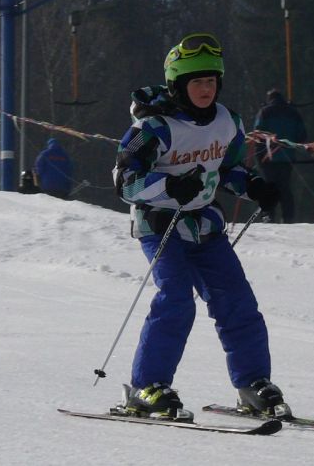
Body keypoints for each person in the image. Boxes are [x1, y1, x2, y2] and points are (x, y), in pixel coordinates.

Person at [112, 32, 289, 421]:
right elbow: (124, 182)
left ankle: (253, 384)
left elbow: (229, 168)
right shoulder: (153, 128)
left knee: (237, 302)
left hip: (205, 226)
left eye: (211, 81)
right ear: (179, 84)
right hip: (160, 227)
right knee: (176, 300)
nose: (206, 89)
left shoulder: (228, 122)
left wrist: (254, 185)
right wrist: (169, 186)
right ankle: (147, 387)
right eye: (197, 82)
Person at [254, 89, 307, 223]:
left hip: (268, 158)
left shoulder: (264, 112)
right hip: (287, 158)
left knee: (269, 186)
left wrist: (258, 156)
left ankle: (268, 216)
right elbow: (302, 136)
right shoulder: (293, 113)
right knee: (285, 187)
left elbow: (257, 134)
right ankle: (288, 216)